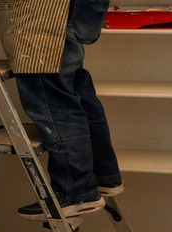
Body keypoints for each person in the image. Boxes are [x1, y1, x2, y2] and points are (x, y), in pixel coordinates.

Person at [10, 0, 123, 220]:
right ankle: (102, 176)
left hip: (50, 10)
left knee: (51, 91)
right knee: (74, 86)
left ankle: (76, 193)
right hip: (76, 9)